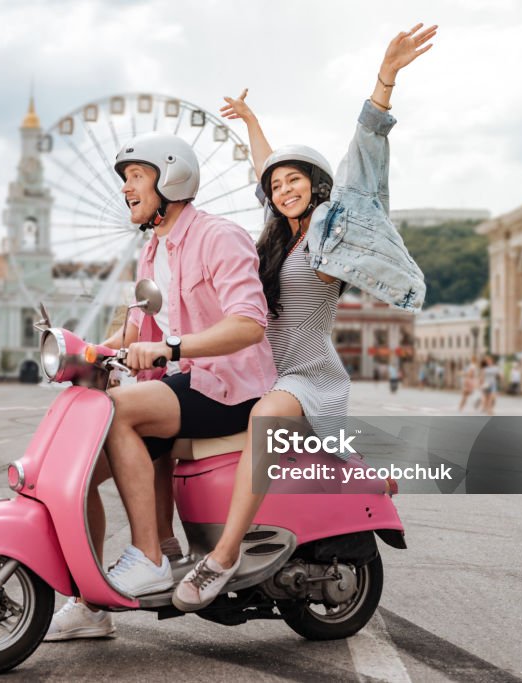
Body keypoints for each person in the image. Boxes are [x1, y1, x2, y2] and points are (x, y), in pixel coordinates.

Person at [170, 23, 435, 612]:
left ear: (317, 188)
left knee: (268, 420)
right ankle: (171, 548)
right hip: (259, 364)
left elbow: (364, 158)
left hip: (305, 371)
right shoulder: (273, 235)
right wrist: (251, 123)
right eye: (279, 185)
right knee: (181, 433)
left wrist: (384, 80)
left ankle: (223, 558)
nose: (285, 189)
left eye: (297, 181)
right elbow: (266, 169)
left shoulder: (329, 235)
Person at [44, 131, 277, 640]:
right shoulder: (152, 253)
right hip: (177, 390)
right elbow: (134, 332)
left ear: (171, 178)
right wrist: (83, 354)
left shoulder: (219, 237)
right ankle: (89, 602)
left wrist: (173, 350)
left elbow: (249, 323)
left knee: (120, 410)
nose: (127, 188)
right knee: (75, 469)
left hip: (229, 388)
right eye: (125, 178)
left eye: (136, 176)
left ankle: (149, 555)